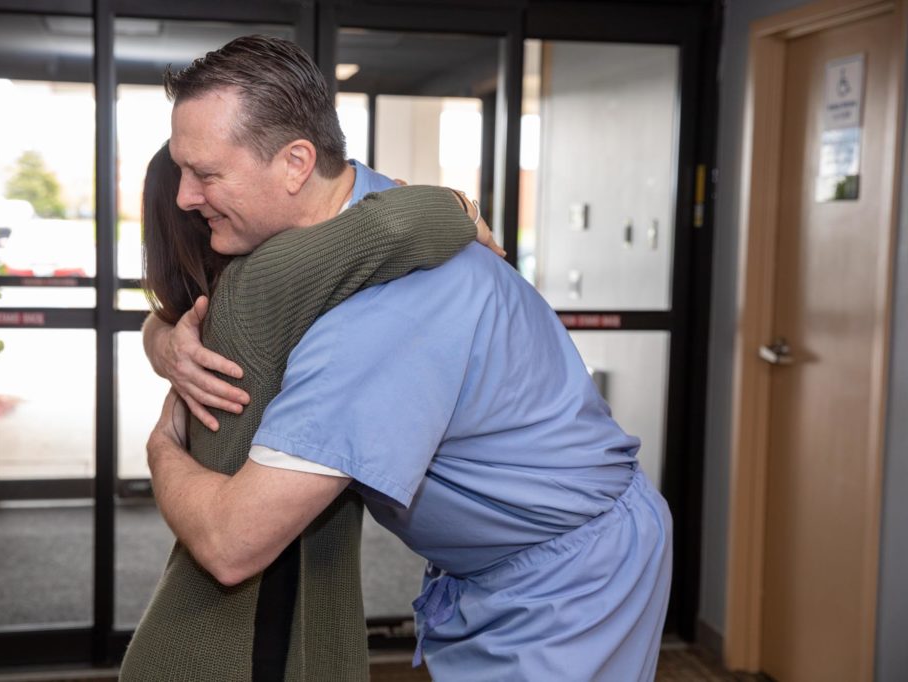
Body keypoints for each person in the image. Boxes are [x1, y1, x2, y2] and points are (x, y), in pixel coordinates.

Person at [142, 35, 672, 682]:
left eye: (206, 175)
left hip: (572, 575)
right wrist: (164, 340)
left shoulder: (381, 315)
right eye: (181, 170)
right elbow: (218, 307)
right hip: (488, 562)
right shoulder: (359, 208)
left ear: (295, 163)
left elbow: (232, 543)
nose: (184, 198)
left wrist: (161, 451)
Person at [125, 149, 498, 680]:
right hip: (244, 647)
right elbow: (400, 224)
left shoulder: (205, 313)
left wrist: (156, 336)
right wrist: (460, 204)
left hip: (222, 635)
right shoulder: (262, 285)